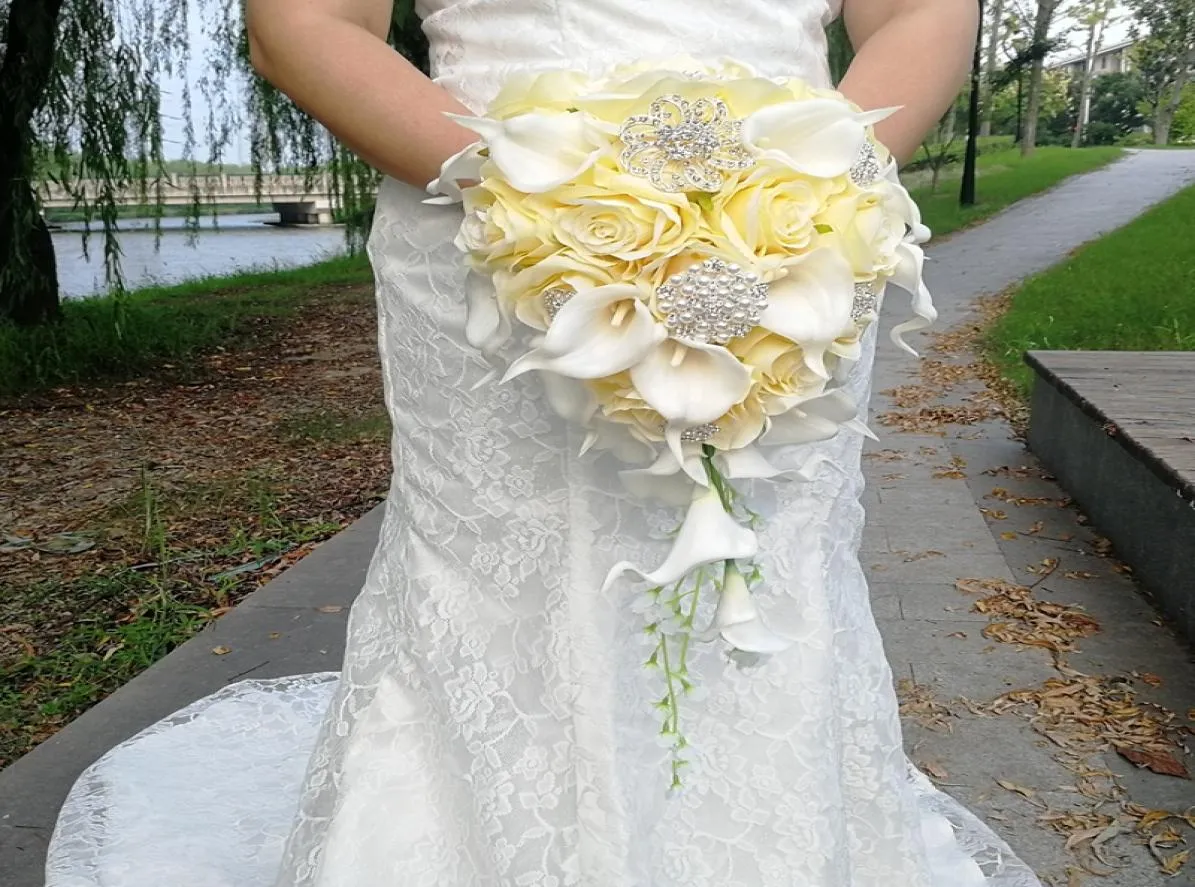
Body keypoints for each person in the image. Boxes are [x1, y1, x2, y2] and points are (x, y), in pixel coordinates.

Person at [45, 1, 1045, 885]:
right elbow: (300, 24)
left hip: (787, 256)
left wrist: (826, 194)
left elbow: (920, 12)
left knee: (767, 564)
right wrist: (541, 201)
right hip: (489, 236)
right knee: (495, 572)